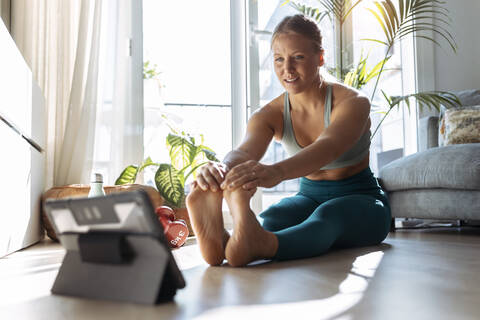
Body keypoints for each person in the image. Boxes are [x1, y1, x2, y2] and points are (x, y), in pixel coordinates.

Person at [186, 14, 391, 267]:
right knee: (273, 217)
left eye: (298, 58)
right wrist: (221, 169)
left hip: (363, 202)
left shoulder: (353, 102)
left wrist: (277, 172)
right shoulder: (269, 114)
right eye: (279, 59)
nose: (287, 69)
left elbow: (328, 147)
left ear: (320, 58)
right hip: (308, 198)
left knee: (328, 216)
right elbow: (245, 151)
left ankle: (261, 245)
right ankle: (227, 241)